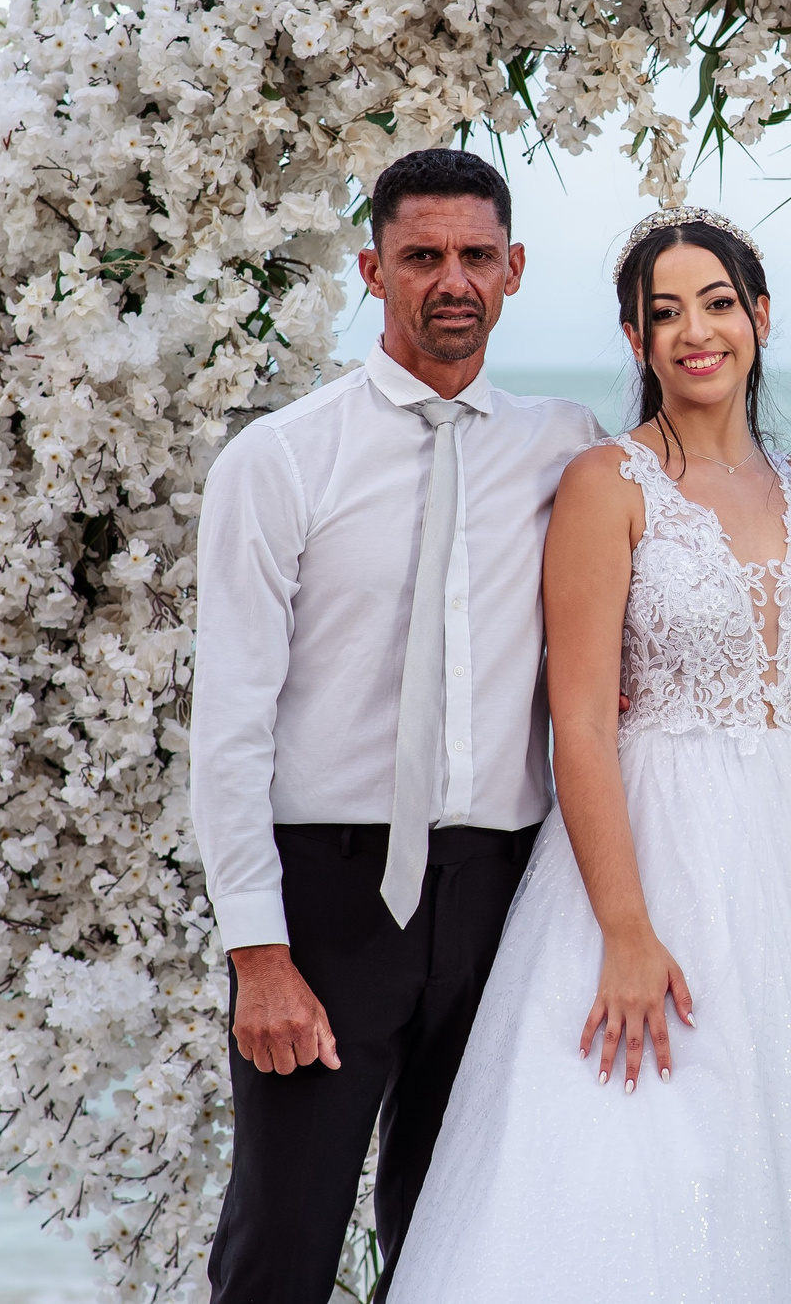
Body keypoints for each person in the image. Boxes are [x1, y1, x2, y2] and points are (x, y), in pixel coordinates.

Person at [387, 208, 791, 1304]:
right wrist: (627, 932)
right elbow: (581, 722)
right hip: (661, 842)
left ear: (761, 317)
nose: (696, 330)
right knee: (644, 1146)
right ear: (636, 341)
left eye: (718, 302)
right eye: (664, 312)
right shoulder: (609, 483)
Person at [189, 149, 602, 1304]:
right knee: (282, 1238)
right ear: (372, 270)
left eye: (476, 256)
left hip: (502, 890)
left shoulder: (564, 445)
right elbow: (228, 725)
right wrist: (258, 954)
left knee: (464, 1237)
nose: (451, 280)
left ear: (514, 271)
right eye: (422, 257)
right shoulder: (278, 461)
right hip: (328, 903)